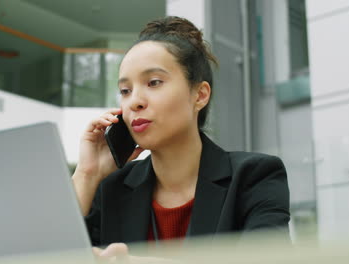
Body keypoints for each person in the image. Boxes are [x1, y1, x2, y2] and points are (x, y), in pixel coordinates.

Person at [71, 16, 290, 262]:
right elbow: (44, 256)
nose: (135, 101)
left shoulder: (254, 177)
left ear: (200, 95)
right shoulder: (111, 189)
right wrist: (87, 174)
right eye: (125, 91)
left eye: (154, 82)